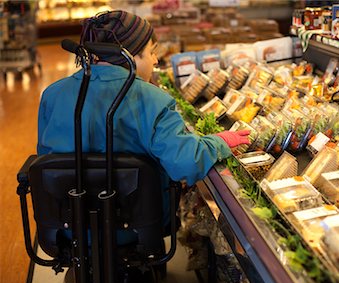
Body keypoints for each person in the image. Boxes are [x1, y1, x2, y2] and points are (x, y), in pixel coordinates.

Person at [37, 10, 250, 227]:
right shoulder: (153, 100)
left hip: (68, 225)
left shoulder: (52, 94)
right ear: (130, 55)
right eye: (152, 52)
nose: (156, 60)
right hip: (137, 228)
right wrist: (219, 142)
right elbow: (186, 162)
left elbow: (47, 158)